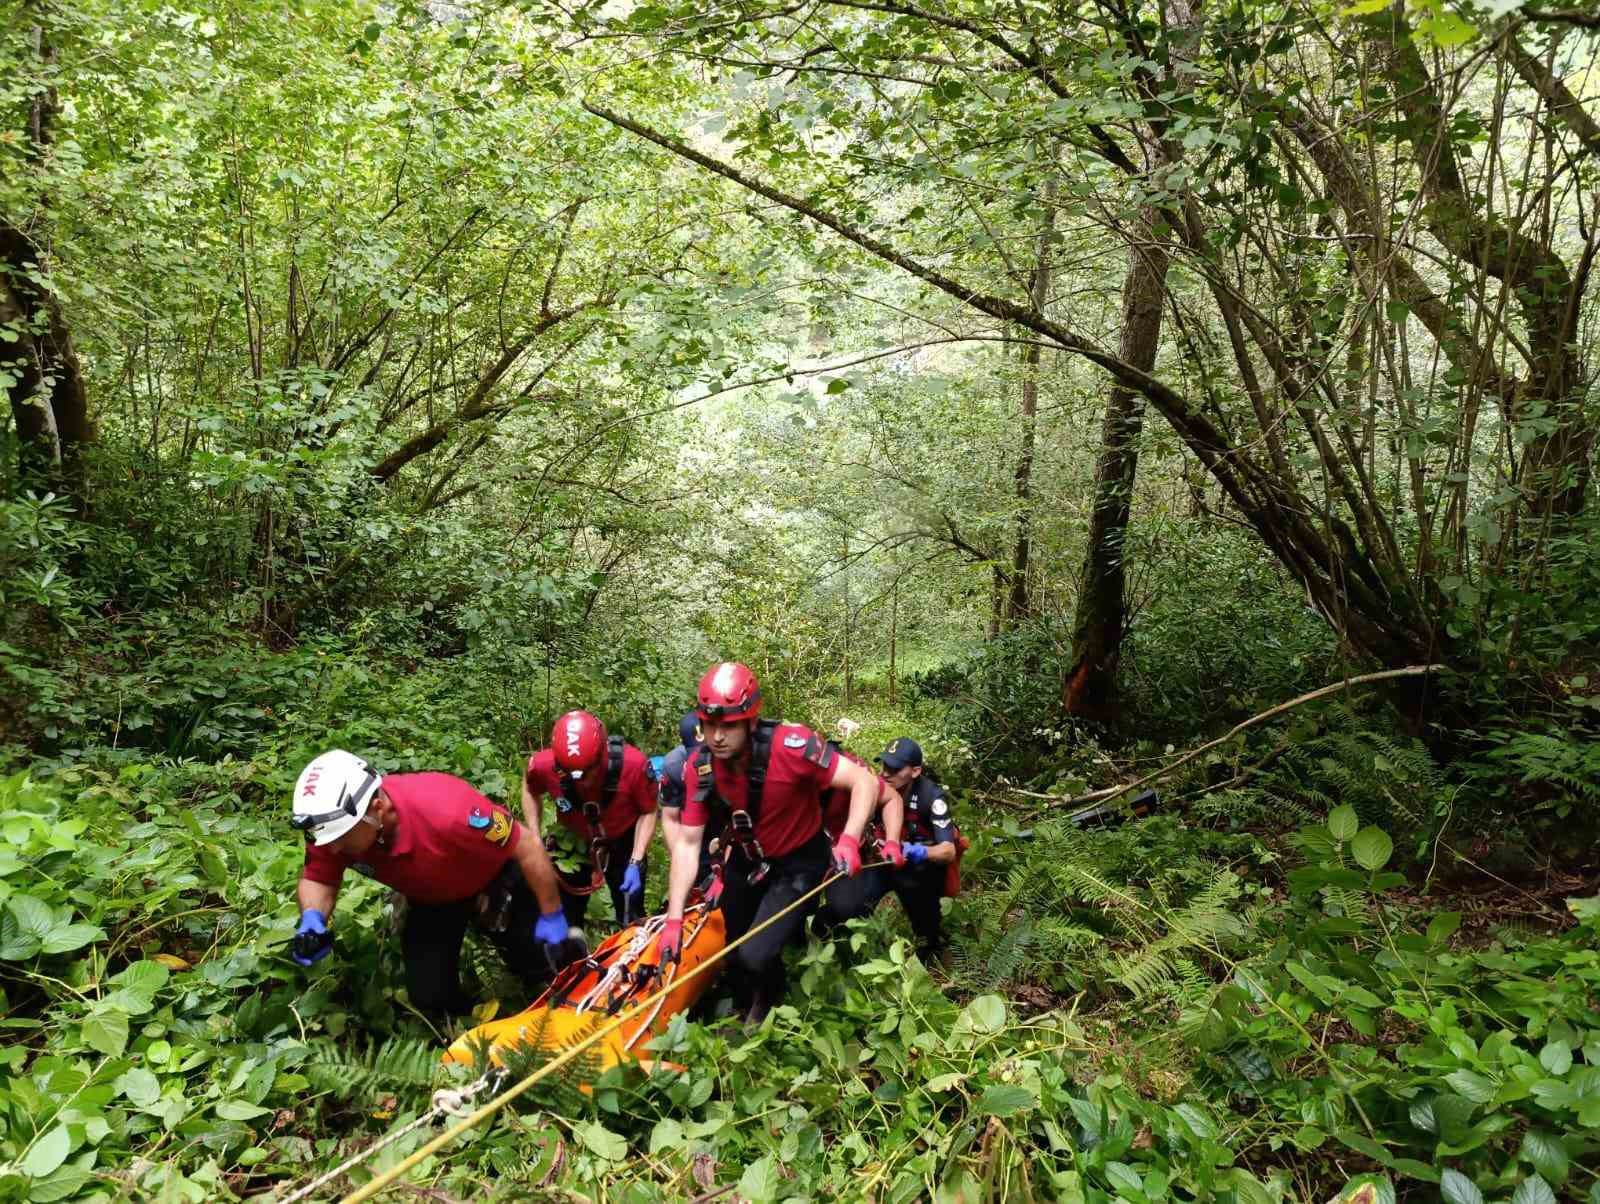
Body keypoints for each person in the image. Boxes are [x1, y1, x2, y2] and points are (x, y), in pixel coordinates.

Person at [656, 662, 883, 1023]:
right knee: (732, 941)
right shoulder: (700, 765)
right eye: (710, 725)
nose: (717, 736)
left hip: (799, 859)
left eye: (728, 725)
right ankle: (749, 992)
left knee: (755, 953)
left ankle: (769, 997)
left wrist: (851, 840)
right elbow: (687, 843)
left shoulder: (794, 747)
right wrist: (673, 919)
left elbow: (864, 783)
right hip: (749, 855)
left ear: (750, 721)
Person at [288, 749, 574, 1017]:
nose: (334, 849)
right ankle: (470, 1032)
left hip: (492, 875)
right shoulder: (334, 830)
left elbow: (527, 846)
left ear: (377, 808)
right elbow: (319, 877)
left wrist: (552, 914)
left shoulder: (450, 811)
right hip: (431, 897)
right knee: (430, 997)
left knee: (543, 961)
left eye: (342, 839)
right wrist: (313, 918)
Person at [522, 710, 658, 929]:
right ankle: (571, 956)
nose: (582, 781)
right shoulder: (544, 765)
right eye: (570, 773)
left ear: (602, 754)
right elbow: (530, 789)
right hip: (573, 841)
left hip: (624, 839)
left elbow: (649, 811)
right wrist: (535, 838)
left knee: (630, 914)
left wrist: (636, 859)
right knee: (566, 915)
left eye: (587, 772)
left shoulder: (634, 765)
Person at [877, 737, 961, 961]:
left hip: (922, 866)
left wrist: (915, 851)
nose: (885, 773)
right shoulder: (878, 787)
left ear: (915, 771)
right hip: (884, 857)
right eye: (884, 765)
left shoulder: (931, 797)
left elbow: (947, 850)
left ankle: (930, 945)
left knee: (921, 905)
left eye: (894, 769)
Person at [813, 746, 907, 937]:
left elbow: (892, 798)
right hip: (805, 848)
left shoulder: (854, 772)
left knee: (848, 908)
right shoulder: (783, 774)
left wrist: (892, 842)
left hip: (845, 851)